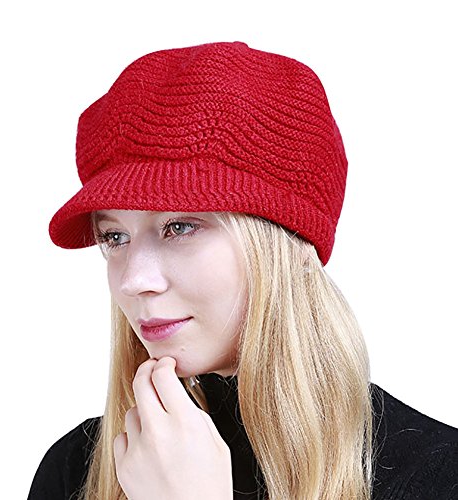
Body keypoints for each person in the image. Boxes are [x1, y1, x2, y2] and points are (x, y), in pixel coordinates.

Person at [27, 41, 458, 500]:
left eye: (179, 226)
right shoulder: (76, 470)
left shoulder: (436, 476)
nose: (133, 280)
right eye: (115, 237)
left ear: (287, 241)